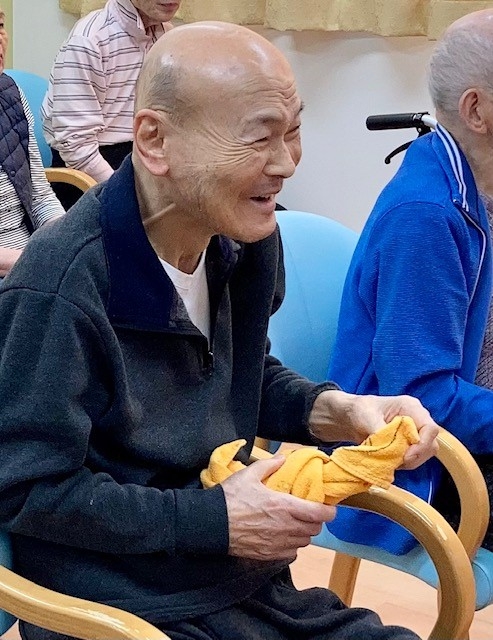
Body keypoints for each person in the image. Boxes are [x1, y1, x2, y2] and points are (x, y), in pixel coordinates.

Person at [0, 22, 438, 640]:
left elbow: (239, 375)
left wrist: (341, 410)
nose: (286, 163)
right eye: (259, 137)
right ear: (155, 140)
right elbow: (25, 490)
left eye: (293, 131)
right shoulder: (61, 287)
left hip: (243, 584)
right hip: (119, 610)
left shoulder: (244, 239)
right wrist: (215, 521)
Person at [328, 8, 493, 553]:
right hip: (424, 467)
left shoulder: (476, 185)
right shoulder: (426, 216)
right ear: (477, 109)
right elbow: (423, 399)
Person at [41, 0, 181, 184]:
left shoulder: (167, 36)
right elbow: (76, 147)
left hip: (144, 158)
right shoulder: (89, 40)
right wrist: (122, 191)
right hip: (91, 172)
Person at [0, 7, 64, 278]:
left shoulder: (10, 94)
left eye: (0, 26)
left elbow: (39, 196)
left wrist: (67, 240)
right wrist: (39, 262)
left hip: (30, 260)